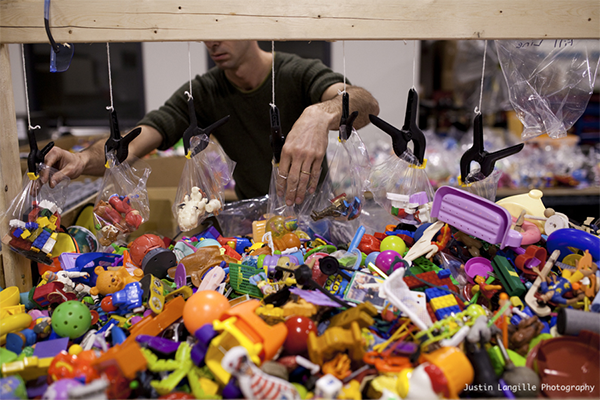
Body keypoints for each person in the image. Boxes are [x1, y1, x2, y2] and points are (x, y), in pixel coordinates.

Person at [45, 40, 379, 206]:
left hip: (317, 213)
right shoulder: (204, 92)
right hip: (256, 217)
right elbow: (139, 138)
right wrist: (82, 159)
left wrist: (318, 114)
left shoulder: (299, 72)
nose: (212, 41)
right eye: (207, 29)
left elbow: (364, 104)